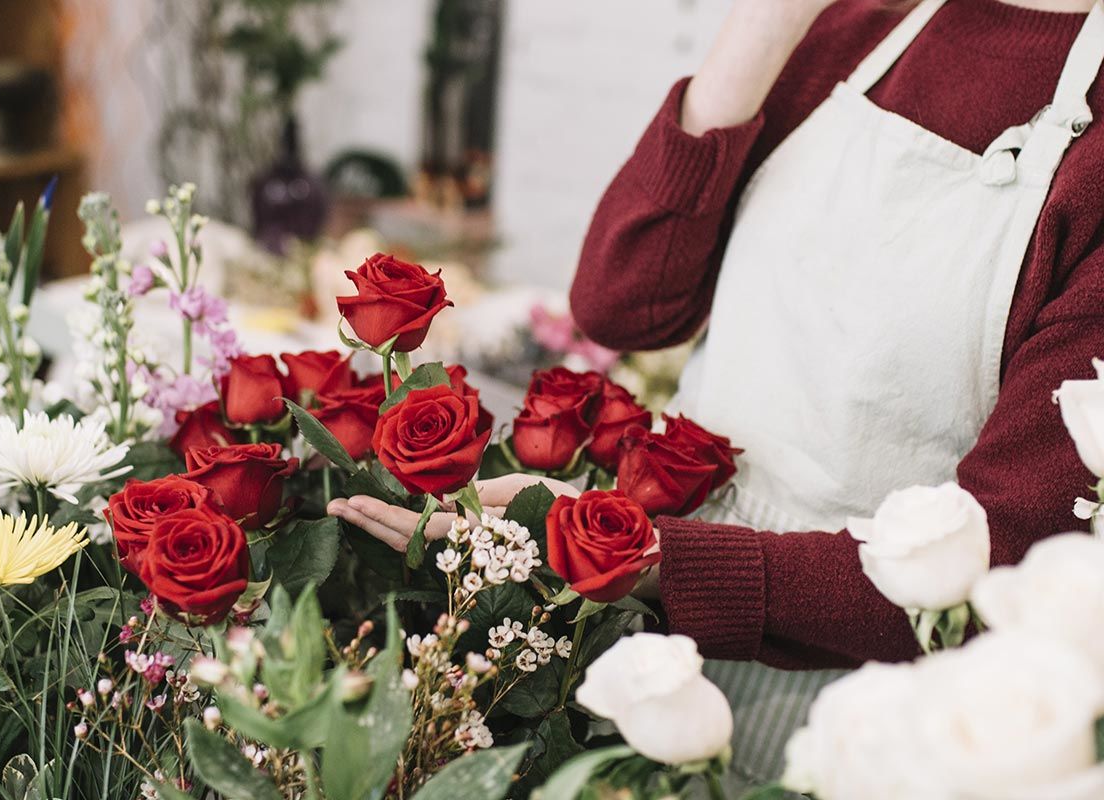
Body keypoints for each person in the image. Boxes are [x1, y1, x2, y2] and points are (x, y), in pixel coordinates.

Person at [330, 0, 1104, 788]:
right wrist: (762, 29)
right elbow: (623, 307)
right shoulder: (858, 27)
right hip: (642, 642)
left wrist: (658, 560)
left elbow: (998, 557)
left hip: (865, 708)